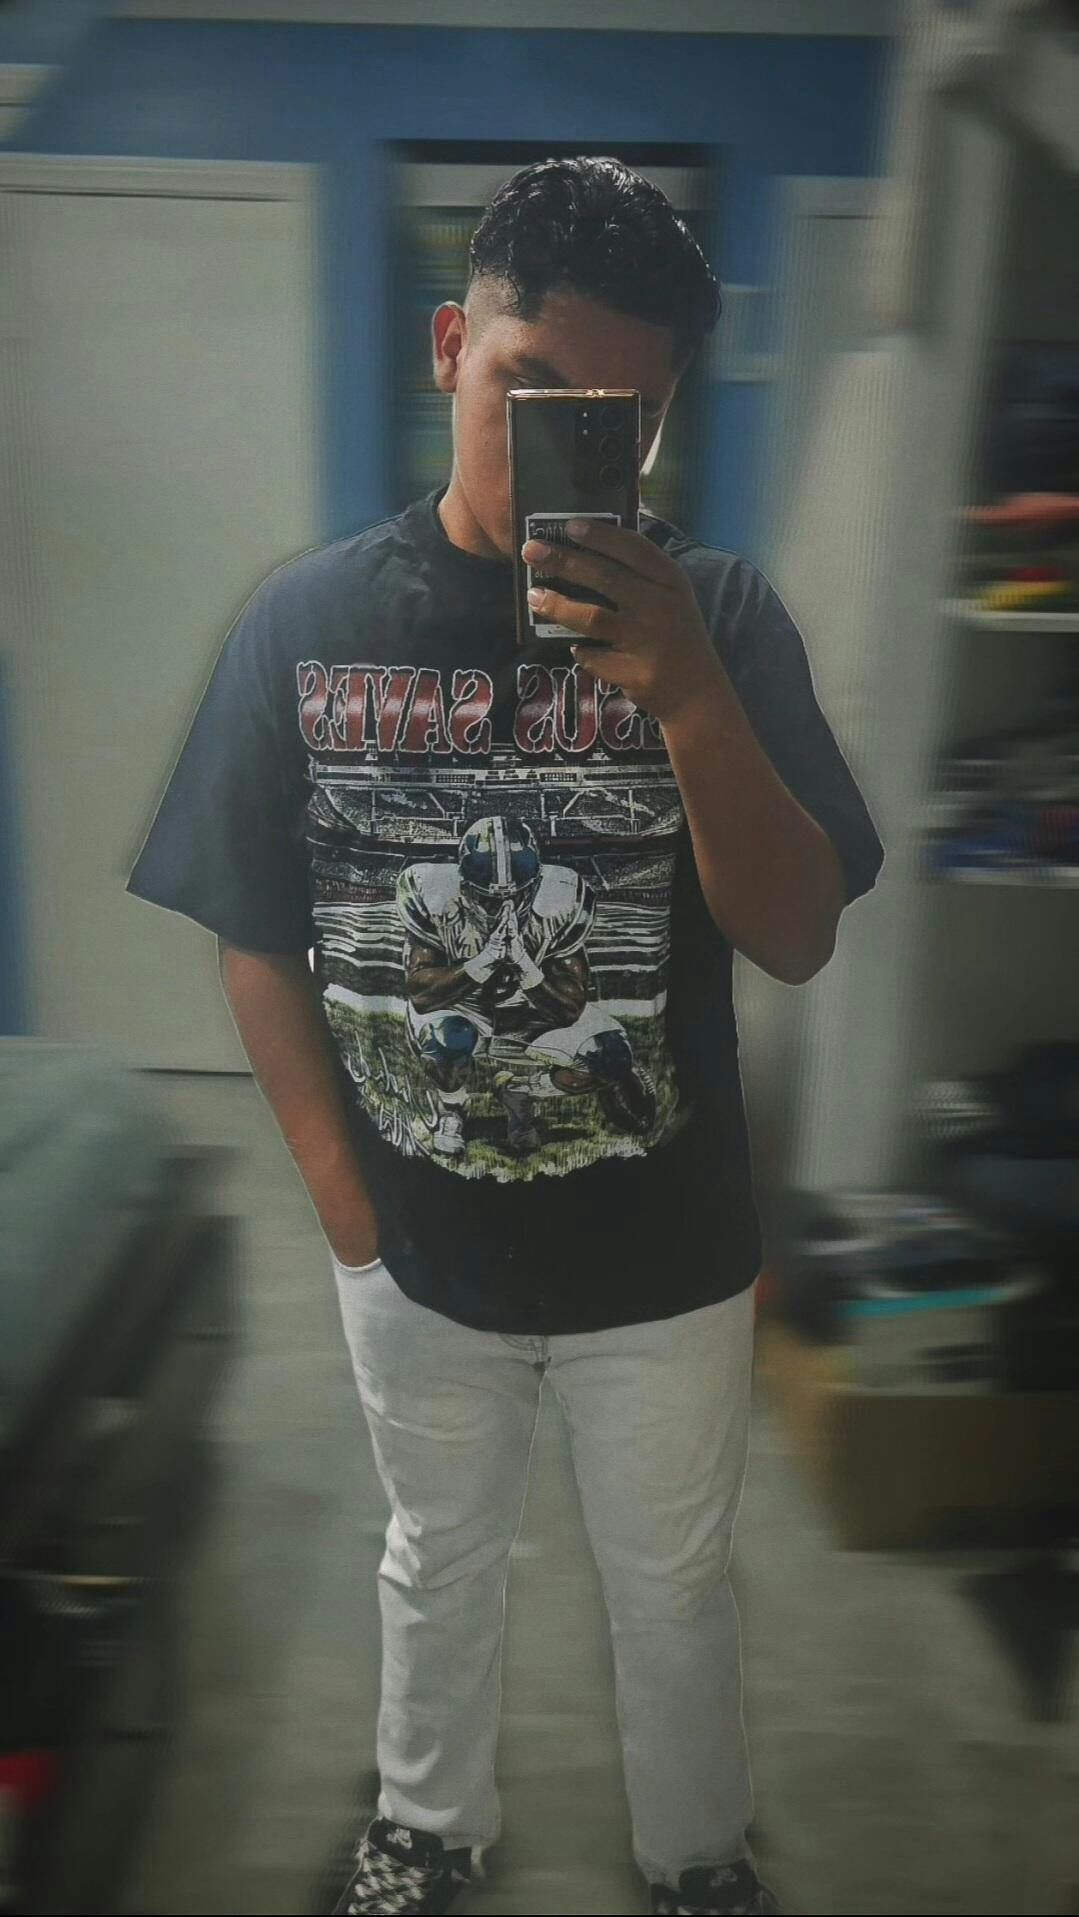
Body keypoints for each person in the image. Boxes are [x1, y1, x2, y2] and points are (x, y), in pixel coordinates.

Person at [127, 156, 885, 1917]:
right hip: (417, 1244)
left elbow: (795, 931)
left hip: (668, 1249)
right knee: (435, 1555)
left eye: (616, 417)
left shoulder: (726, 620)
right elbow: (257, 934)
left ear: (665, 420)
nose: (559, 441)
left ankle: (696, 1854)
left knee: (674, 1584)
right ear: (449, 348)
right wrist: (347, 1212)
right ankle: (426, 1824)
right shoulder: (306, 625)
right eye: (528, 388)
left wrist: (687, 694)